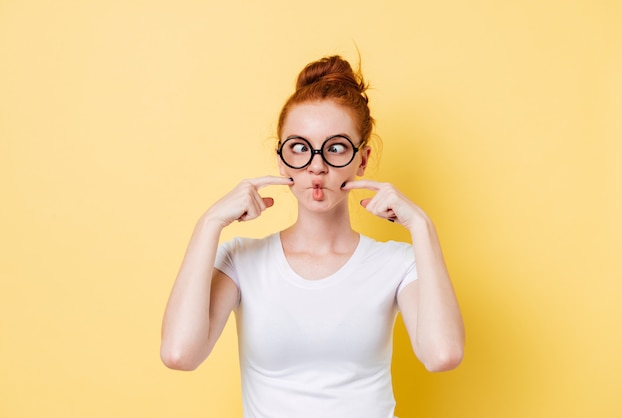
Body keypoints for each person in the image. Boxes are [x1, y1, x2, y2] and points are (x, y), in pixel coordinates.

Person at [160, 55, 465, 418]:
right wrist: (209, 223)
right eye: (300, 148)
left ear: (362, 159)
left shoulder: (398, 264)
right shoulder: (240, 260)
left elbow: (442, 354)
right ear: (281, 159)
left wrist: (422, 226)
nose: (316, 166)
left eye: (335, 148)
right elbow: (179, 354)